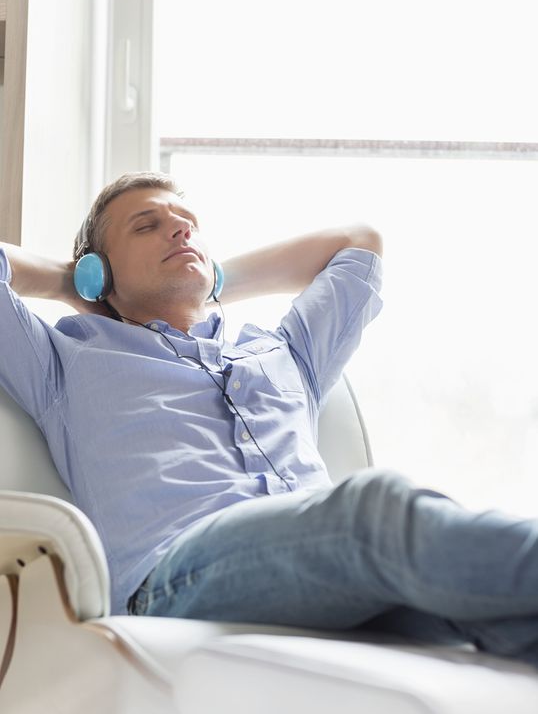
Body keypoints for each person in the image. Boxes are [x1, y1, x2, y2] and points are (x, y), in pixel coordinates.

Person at [1, 171, 538, 668]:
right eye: (149, 226)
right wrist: (77, 284)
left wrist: (210, 279)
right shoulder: (67, 362)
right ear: (99, 271)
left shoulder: (286, 354)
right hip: (174, 577)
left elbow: (360, 243)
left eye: (188, 226)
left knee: (499, 623)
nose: (179, 232)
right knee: (376, 511)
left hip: (323, 564)